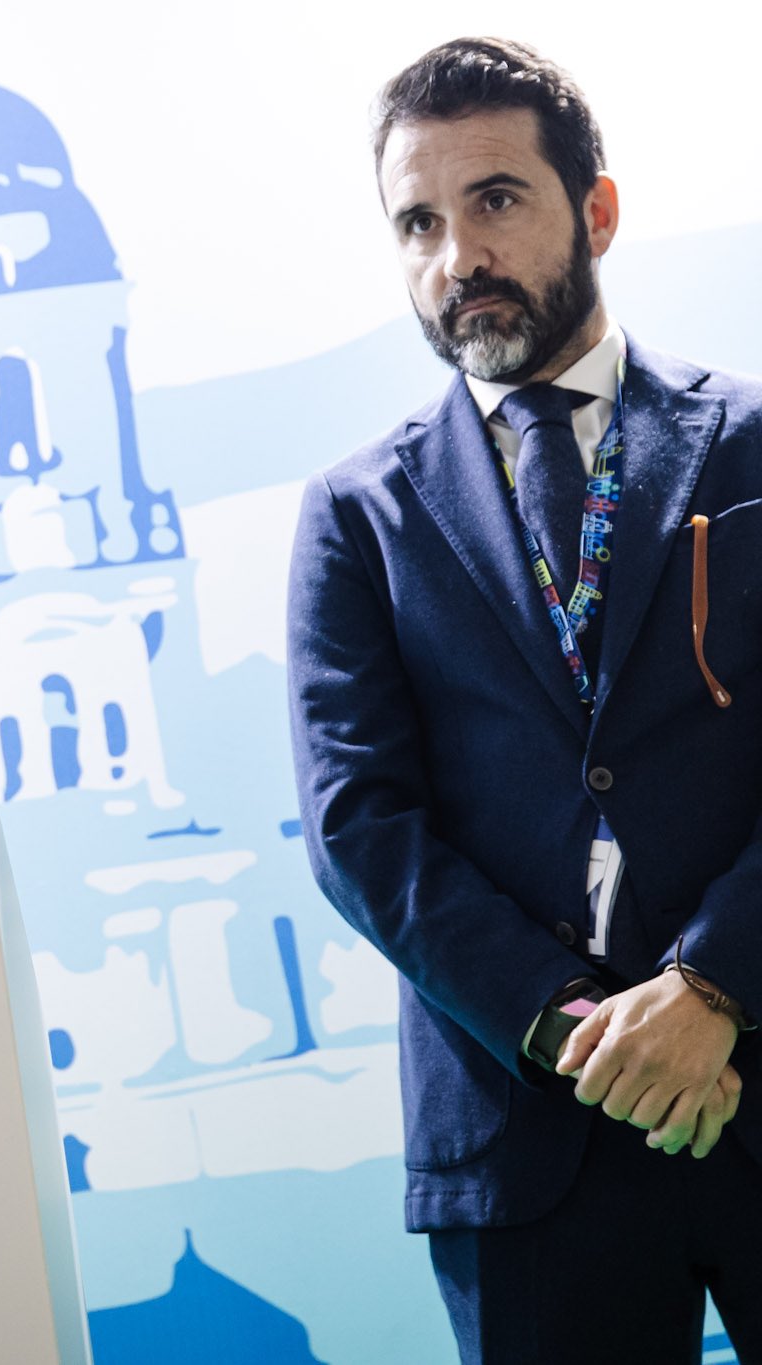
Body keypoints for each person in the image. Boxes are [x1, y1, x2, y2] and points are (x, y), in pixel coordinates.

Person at [287, 38, 762, 1360]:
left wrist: (714, 985)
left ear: (595, 210)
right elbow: (359, 830)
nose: (458, 255)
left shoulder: (753, 444)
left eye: (495, 199)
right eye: (418, 223)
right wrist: (579, 1034)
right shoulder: (356, 516)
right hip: (525, 1134)